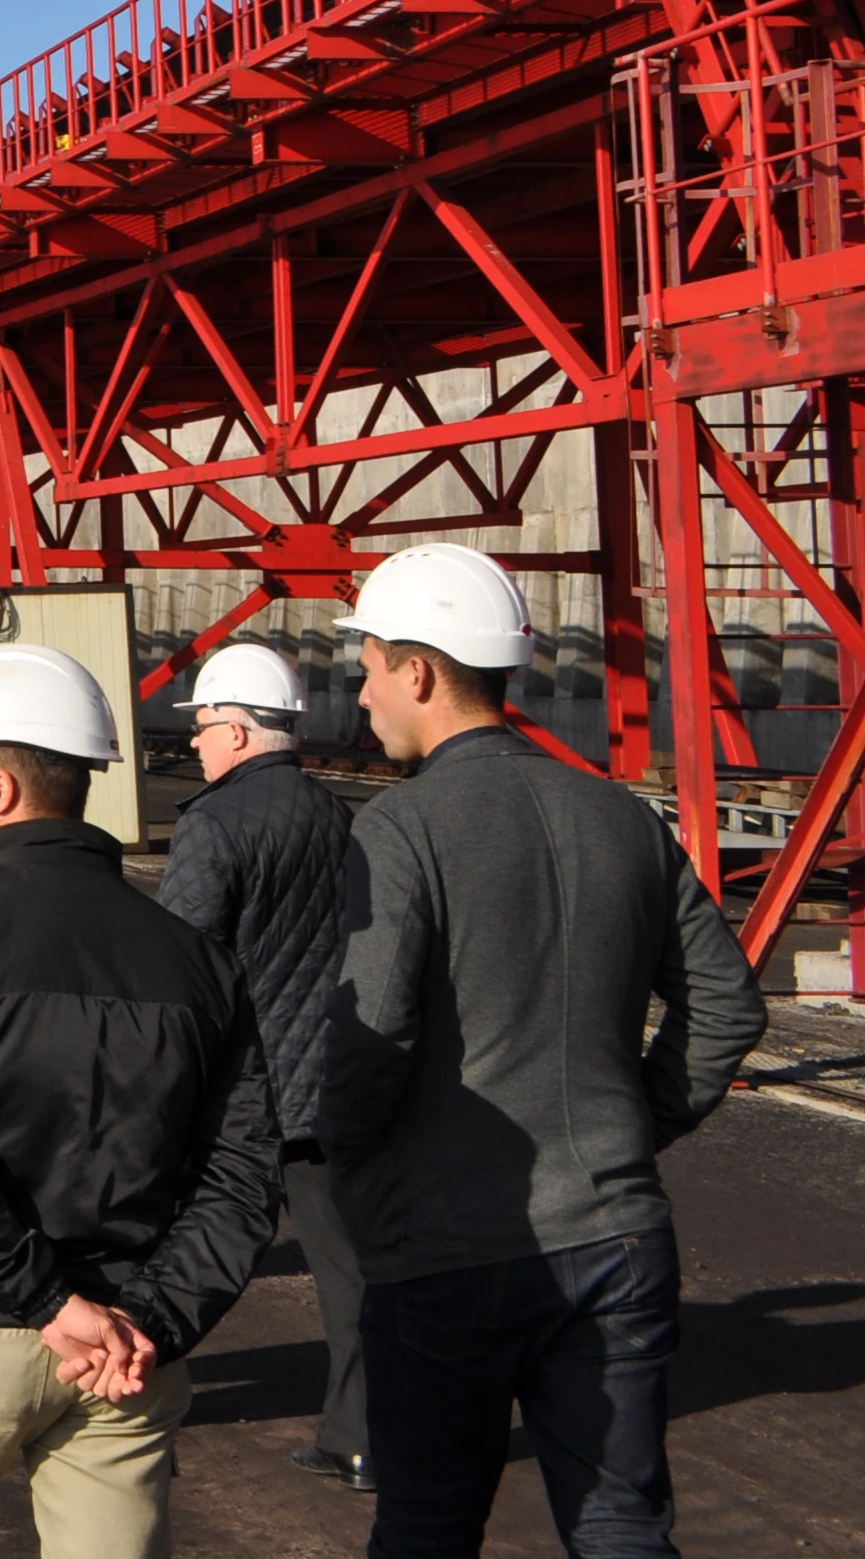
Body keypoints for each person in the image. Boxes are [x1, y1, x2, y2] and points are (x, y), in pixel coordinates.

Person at [321, 543, 767, 1559]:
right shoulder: (621, 816)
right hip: (615, 1233)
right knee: (619, 1525)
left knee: (427, 1522)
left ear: (420, 672)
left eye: (371, 663)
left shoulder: (401, 830)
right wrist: (633, 1126)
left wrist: (355, 1168)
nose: (362, 688)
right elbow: (726, 1009)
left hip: (442, 1244)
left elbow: (370, 1032)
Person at [0, 642, 280, 1559]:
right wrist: (152, 1321)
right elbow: (241, 1179)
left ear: (1, 789)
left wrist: (46, 1301)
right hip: (125, 1353)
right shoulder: (195, 960)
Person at [149, 637, 369, 1492]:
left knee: (182, 1246)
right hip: (327, 1076)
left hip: (240, 1083)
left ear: (238, 732)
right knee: (344, 1267)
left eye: (202, 726)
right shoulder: (332, 811)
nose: (195, 742)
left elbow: (182, 959)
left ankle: (131, 1389)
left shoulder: (213, 822)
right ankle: (360, 1437)